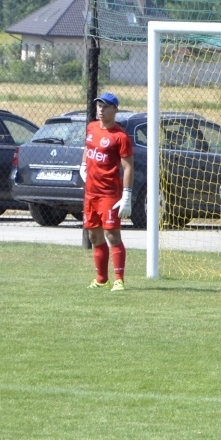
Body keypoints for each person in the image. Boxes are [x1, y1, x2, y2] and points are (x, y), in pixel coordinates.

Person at [83, 92, 134, 291]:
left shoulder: (120, 136)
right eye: (99, 106)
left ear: (115, 110)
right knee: (94, 236)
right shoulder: (91, 127)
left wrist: (127, 195)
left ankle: (119, 279)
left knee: (112, 235)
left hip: (109, 194)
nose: (101, 110)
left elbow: (128, 167)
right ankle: (101, 278)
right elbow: (87, 149)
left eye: (105, 107)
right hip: (90, 194)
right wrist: (82, 166)